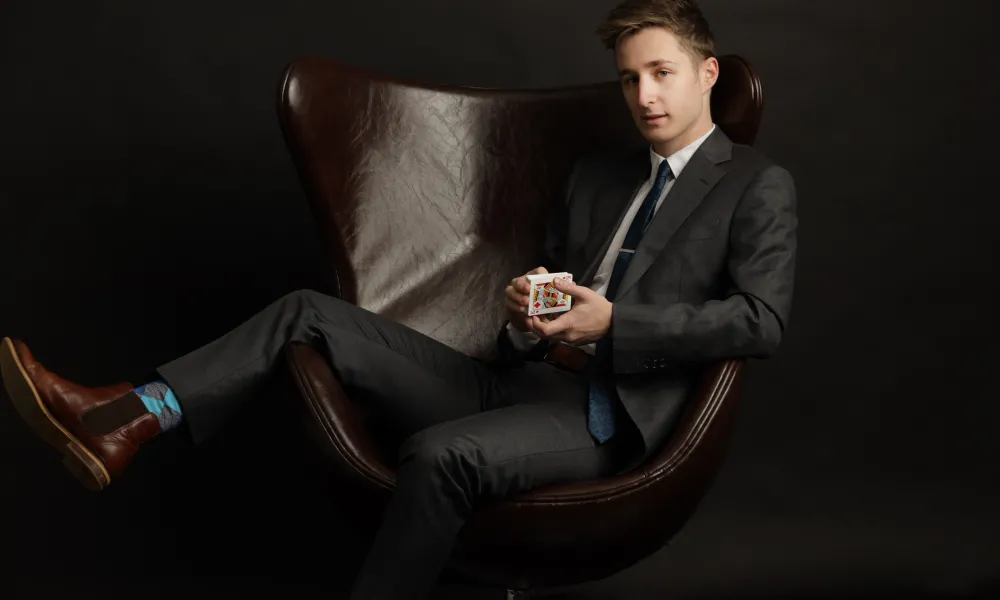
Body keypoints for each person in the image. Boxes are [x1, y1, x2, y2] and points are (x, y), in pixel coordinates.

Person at [0, 0, 796, 598]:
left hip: (601, 415)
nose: (644, 94)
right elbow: (555, 278)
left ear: (708, 73)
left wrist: (617, 324)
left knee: (439, 455)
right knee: (306, 310)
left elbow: (759, 321)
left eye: (662, 73)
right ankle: (130, 416)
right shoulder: (599, 175)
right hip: (514, 375)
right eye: (630, 78)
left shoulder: (756, 185)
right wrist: (529, 304)